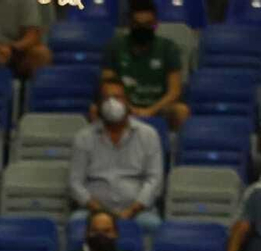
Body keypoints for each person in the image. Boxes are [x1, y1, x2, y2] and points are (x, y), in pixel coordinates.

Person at [70, 78, 165, 233]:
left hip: (138, 213)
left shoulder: (148, 135)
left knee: (153, 224)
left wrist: (131, 211)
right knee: (76, 223)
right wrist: (101, 212)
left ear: (127, 102)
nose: (112, 103)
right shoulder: (83, 137)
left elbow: (154, 181)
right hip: (93, 212)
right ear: (98, 105)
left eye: (117, 97)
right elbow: (75, 183)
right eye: (106, 98)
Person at [100, 0, 189, 131]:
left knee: (181, 111)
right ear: (130, 24)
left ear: (155, 25)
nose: (142, 29)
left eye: (147, 24)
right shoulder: (114, 47)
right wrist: (129, 107)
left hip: (159, 107)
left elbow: (174, 91)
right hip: (124, 105)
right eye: (137, 24)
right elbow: (107, 86)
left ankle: (175, 149)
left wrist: (150, 110)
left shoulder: (168, 48)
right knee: (96, 109)